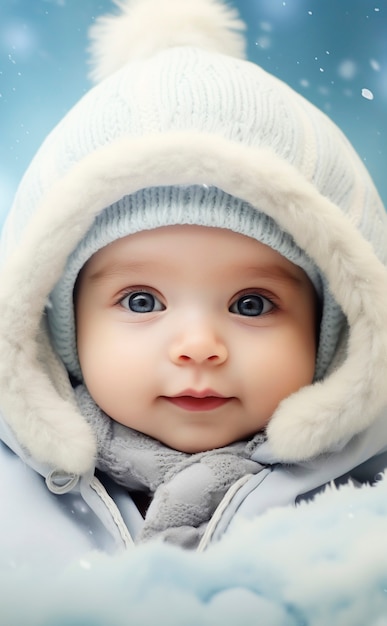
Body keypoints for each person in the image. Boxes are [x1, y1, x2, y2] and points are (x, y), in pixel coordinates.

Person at [1, 0, 387, 558]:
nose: (199, 347)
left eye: (252, 304)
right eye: (140, 300)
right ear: (58, 326)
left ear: (336, 332)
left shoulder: (367, 511)